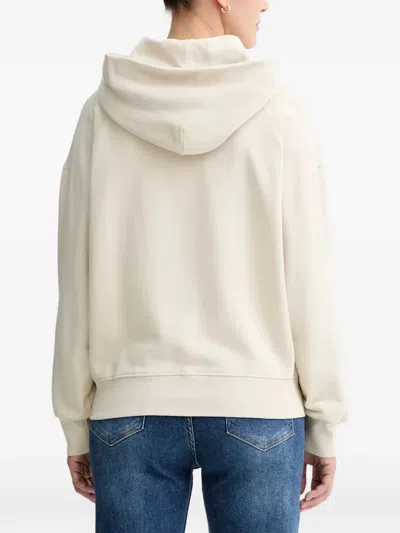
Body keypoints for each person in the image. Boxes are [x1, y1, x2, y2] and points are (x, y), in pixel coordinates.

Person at [51, 0, 348, 531]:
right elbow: (309, 277)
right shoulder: (281, 113)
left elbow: (75, 278)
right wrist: (324, 419)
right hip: (259, 408)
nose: (266, 4)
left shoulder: (101, 113)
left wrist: (75, 418)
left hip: (129, 407)